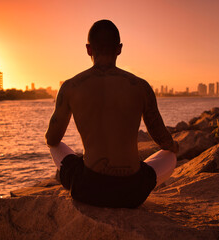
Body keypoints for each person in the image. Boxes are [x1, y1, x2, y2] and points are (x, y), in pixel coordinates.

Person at [45, 19, 179, 208]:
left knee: (55, 146)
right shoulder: (140, 86)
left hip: (88, 190)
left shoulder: (70, 87)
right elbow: (161, 138)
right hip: (133, 192)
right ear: (119, 49)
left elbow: (52, 139)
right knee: (170, 155)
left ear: (88, 49)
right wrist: (174, 145)